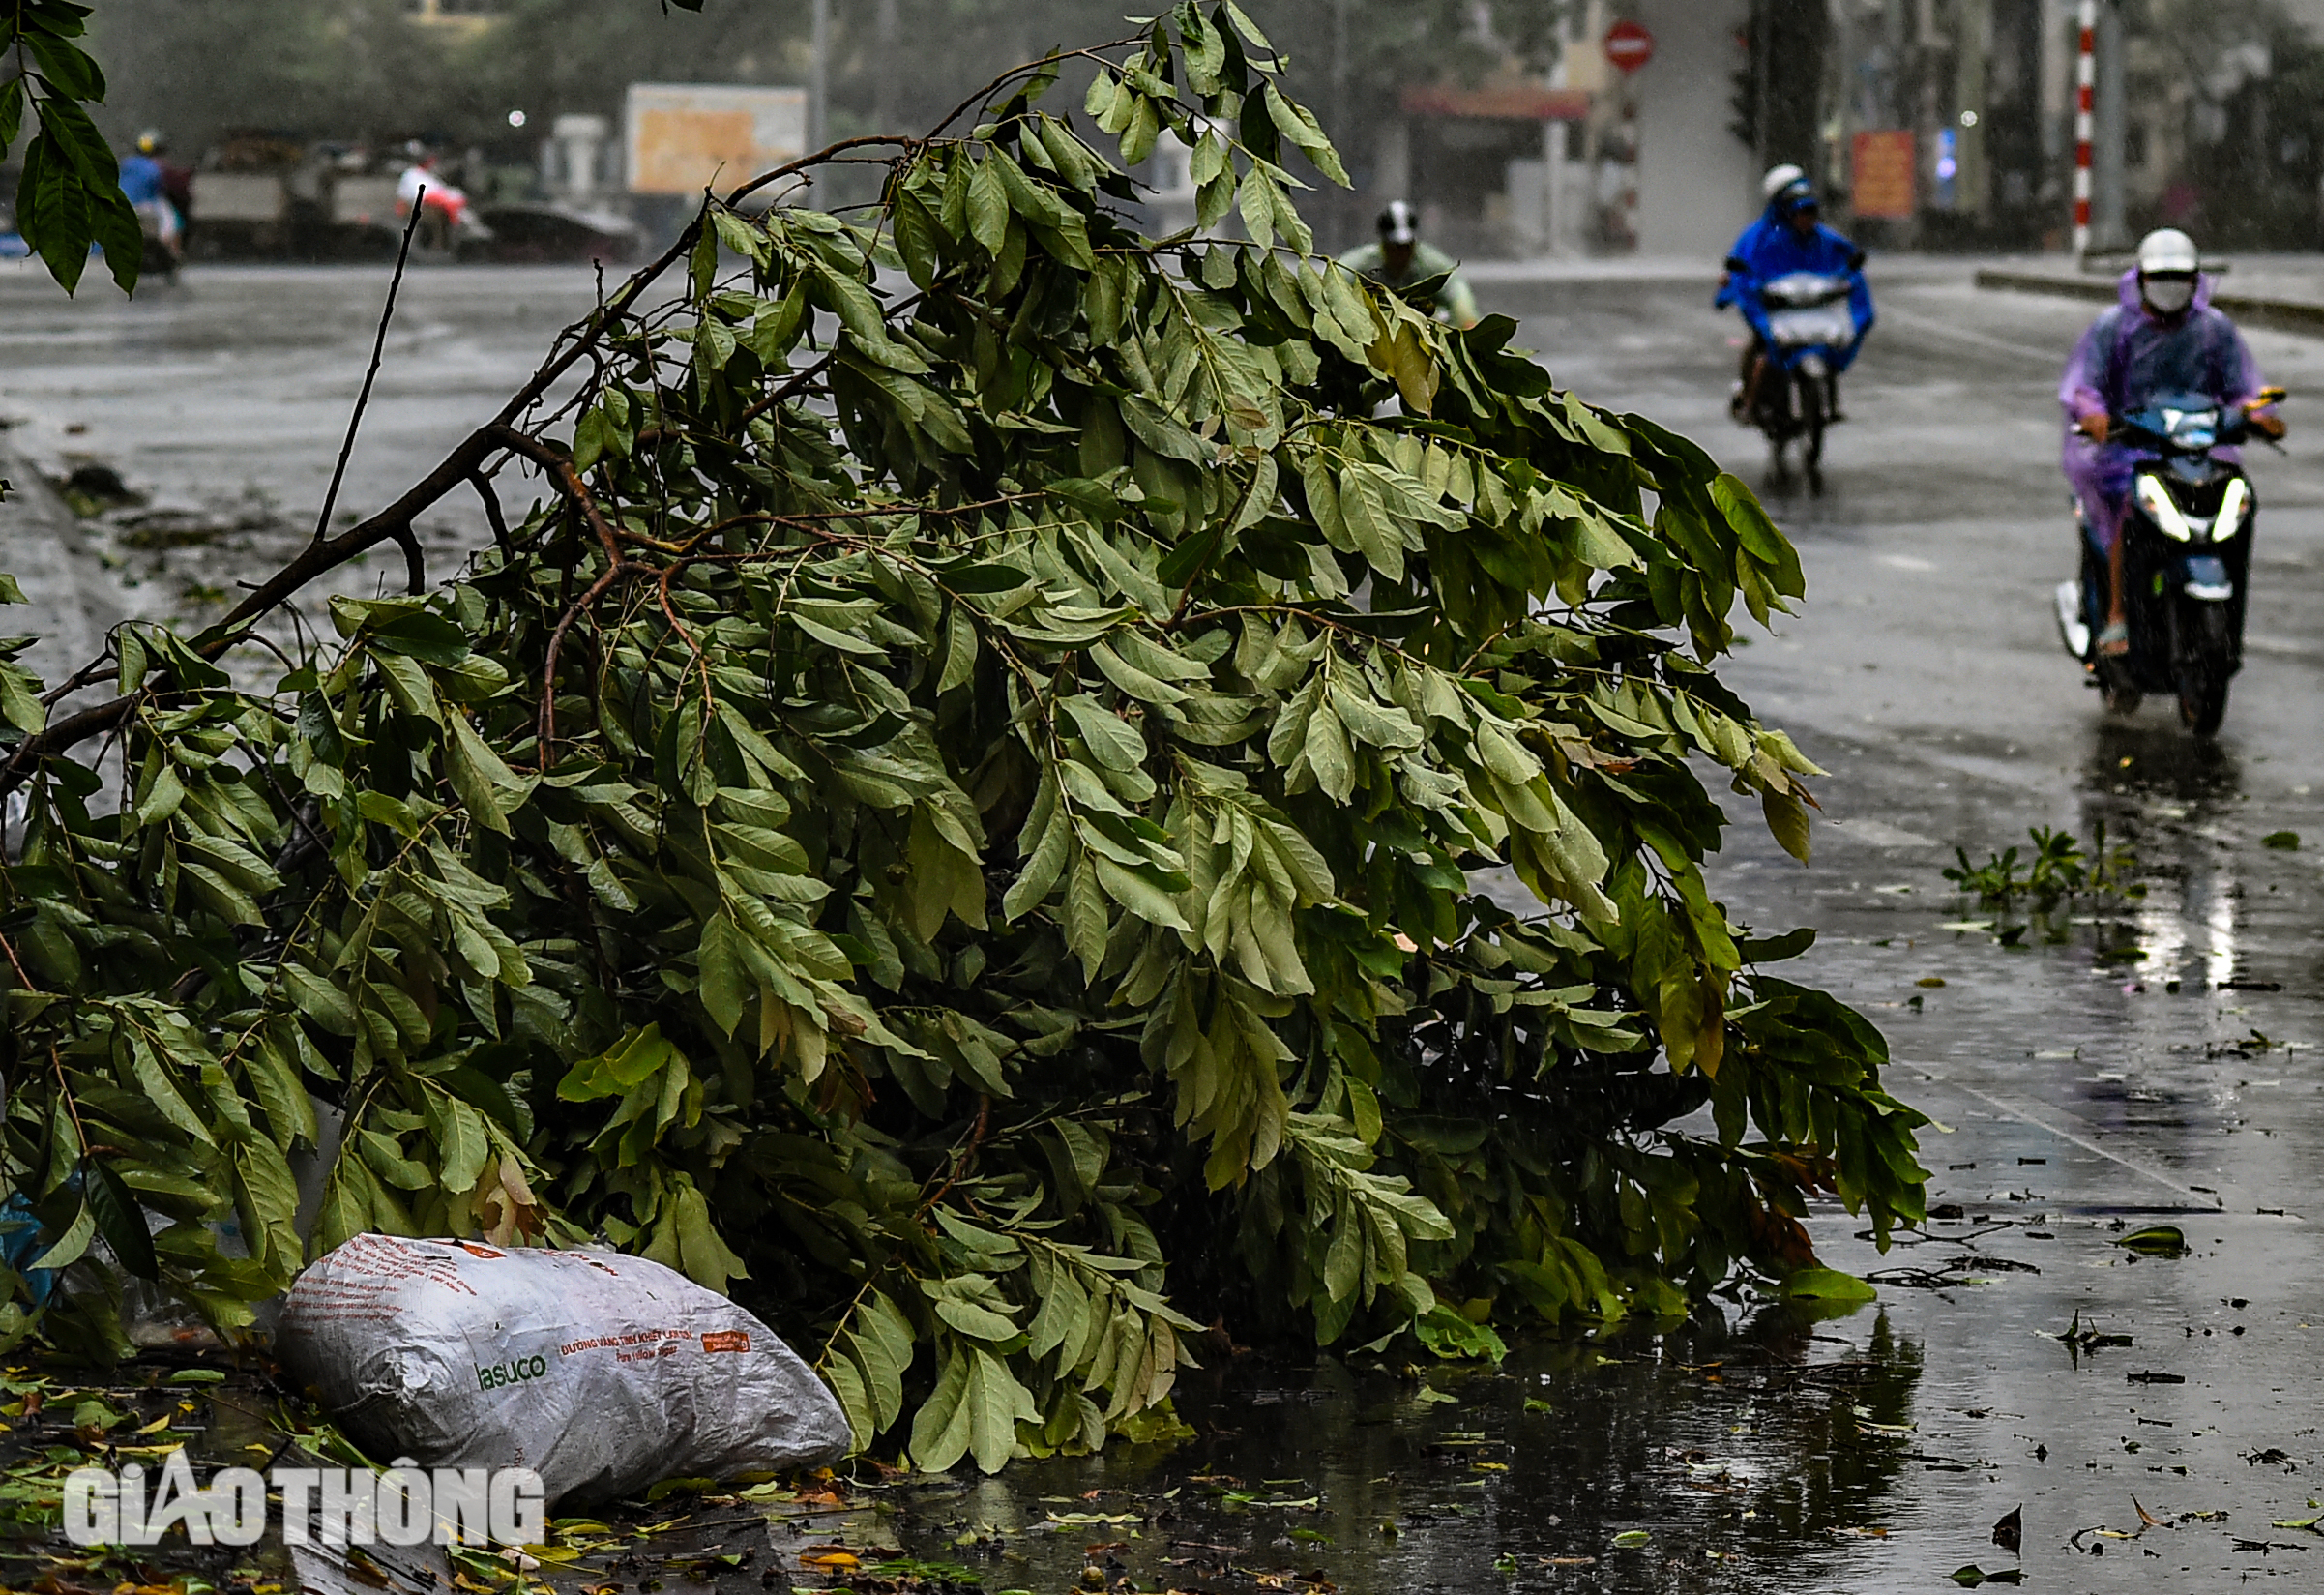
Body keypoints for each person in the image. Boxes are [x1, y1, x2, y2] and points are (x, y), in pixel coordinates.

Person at [2060, 227, 2282, 656]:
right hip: (2129, 452)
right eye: (2160, 278)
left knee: (2238, 502)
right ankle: (2117, 615)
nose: (2170, 288)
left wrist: (2258, 415)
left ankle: (2230, 612)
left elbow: (2241, 388)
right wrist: (2095, 416)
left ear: (2196, 280)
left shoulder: (2213, 330)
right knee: (2129, 508)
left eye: (2179, 277)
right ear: (2140, 279)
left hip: (2198, 449)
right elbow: (2088, 386)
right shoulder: (2114, 328)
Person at [1716, 164, 1873, 421]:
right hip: (1777, 312)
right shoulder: (1763, 238)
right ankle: (1750, 400)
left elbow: (1846, 260)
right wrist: (1734, 284)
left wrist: (1845, 278)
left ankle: (1828, 403)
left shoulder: (1823, 238)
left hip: (1815, 311)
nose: (1805, 217)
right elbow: (1740, 267)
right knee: (1760, 347)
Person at [1338, 201, 1480, 330]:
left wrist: (1468, 322)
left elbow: (1457, 290)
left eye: (1407, 246)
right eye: (1394, 246)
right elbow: (1337, 279)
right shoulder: (1362, 264)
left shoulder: (1430, 264)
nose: (1400, 253)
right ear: (1383, 244)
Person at [118, 130, 182, 272]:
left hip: (124, 204)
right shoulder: (157, 165)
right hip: (147, 204)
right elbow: (161, 185)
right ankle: (173, 250)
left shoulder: (128, 163)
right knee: (173, 221)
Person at [397, 144, 473, 248]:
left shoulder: (427, 175)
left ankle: (463, 229)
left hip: (432, 203)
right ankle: (458, 227)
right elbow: (419, 193)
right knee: (449, 204)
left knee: (456, 199)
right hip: (416, 205)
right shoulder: (411, 174)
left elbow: (440, 188)